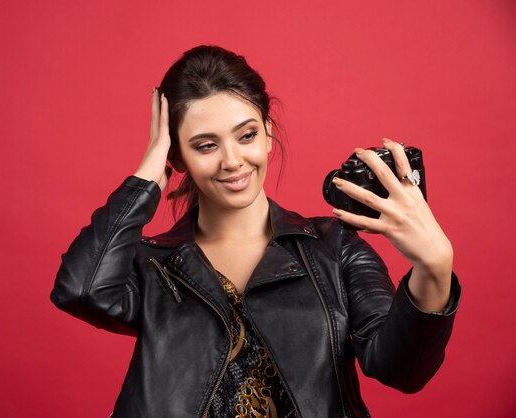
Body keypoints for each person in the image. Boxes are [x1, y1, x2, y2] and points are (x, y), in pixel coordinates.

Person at [50, 45, 461, 418]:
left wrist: (434, 268)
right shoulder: (151, 265)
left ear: (267, 132)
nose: (232, 161)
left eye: (246, 135)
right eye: (205, 145)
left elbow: (402, 370)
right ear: (177, 154)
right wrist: (146, 176)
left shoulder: (333, 248)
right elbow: (82, 290)